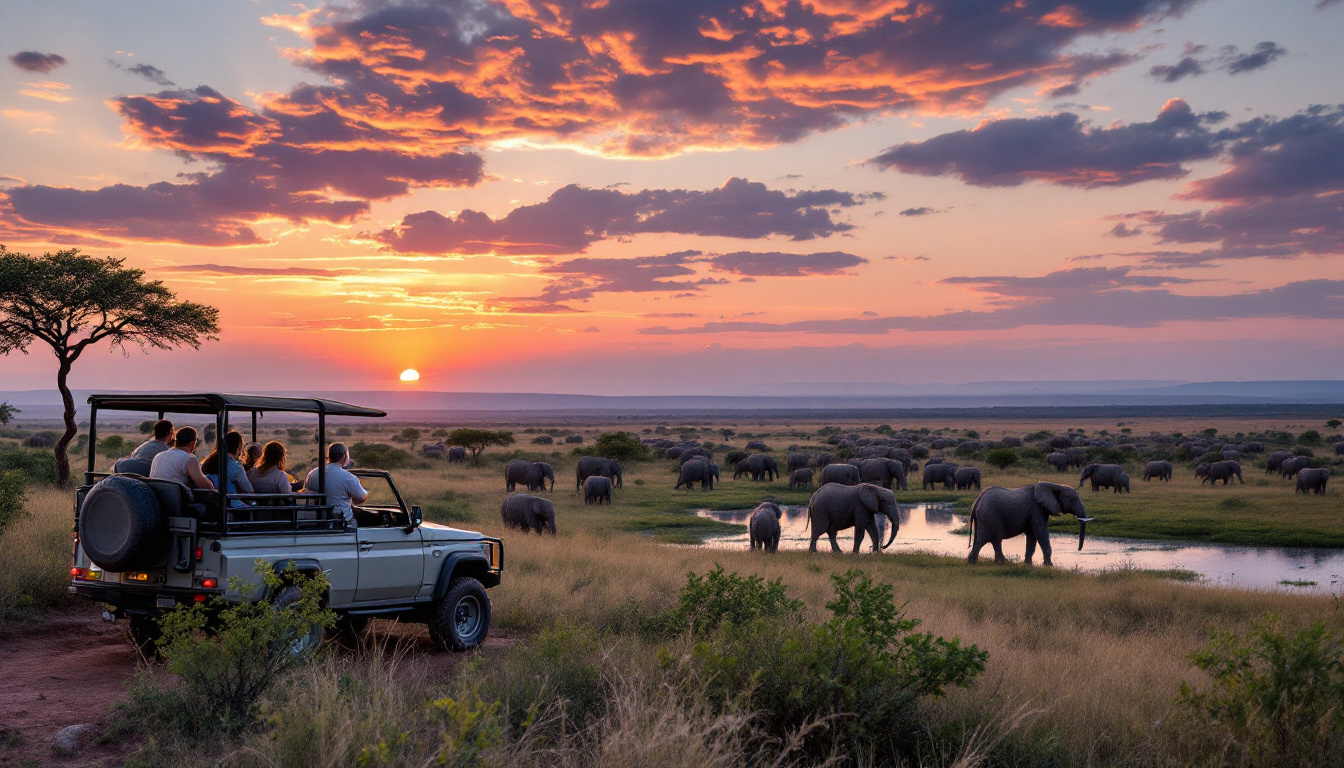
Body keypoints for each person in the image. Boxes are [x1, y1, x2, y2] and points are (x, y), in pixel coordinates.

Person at [303, 442, 367, 525]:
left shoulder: (312, 473)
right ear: (344, 456)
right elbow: (362, 497)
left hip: (315, 521)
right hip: (341, 523)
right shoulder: (348, 477)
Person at [149, 427, 215, 490]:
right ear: (192, 442)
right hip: (173, 495)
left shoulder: (159, 455)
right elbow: (202, 483)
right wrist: (212, 487)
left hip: (155, 495)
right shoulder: (190, 458)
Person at [201, 430, 255, 501]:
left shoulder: (207, 462)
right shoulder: (235, 467)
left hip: (210, 502)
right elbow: (249, 490)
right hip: (229, 504)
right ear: (238, 447)